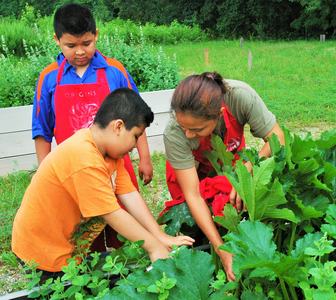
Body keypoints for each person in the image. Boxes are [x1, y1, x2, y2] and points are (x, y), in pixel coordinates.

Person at [12, 88, 194, 277]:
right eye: (136, 136)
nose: (135, 145)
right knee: (63, 289)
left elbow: (130, 195)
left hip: (67, 247)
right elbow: (112, 214)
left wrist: (159, 236)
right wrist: (153, 247)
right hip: (43, 252)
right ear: (118, 127)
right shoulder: (84, 158)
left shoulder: (109, 154)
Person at [32, 3, 153, 251]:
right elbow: (42, 131)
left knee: (126, 230)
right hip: (78, 171)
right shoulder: (49, 78)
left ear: (96, 35)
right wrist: (44, 171)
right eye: (71, 46)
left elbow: (136, 117)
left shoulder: (114, 71)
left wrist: (145, 158)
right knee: (86, 232)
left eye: (86, 43)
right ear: (57, 40)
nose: (79, 52)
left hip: (118, 167)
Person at [162, 72, 285, 281]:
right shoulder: (174, 132)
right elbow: (192, 194)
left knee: (232, 209)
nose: (188, 134)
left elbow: (277, 139)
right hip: (190, 171)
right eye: (184, 128)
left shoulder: (240, 97)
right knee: (194, 228)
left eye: (196, 129)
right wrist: (222, 250)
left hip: (230, 163)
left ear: (219, 114)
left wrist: (246, 170)